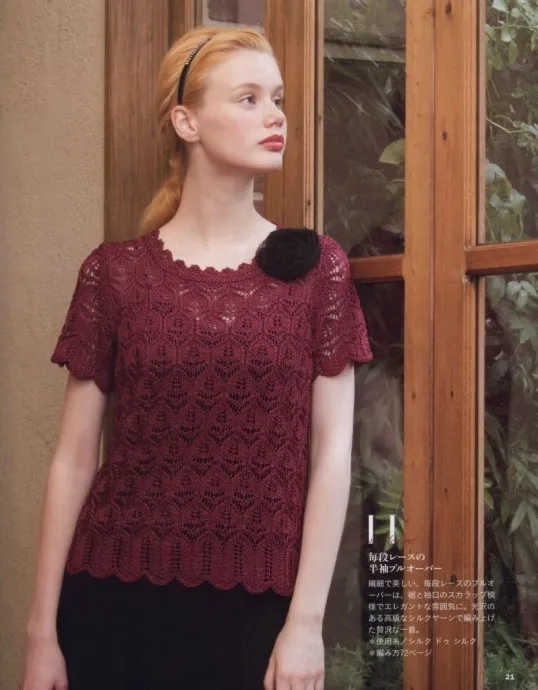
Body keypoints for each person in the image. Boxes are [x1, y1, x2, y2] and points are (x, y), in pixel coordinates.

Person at [20, 25, 373, 690]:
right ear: (187, 122)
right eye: (248, 99)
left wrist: (305, 623)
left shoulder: (318, 271)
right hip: (112, 600)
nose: (275, 116)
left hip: (258, 610)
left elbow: (332, 454)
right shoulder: (114, 274)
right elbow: (73, 459)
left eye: (278, 99)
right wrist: (41, 635)